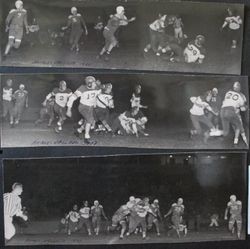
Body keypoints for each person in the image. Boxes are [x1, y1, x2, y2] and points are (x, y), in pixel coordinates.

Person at [67, 76, 102, 145]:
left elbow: (98, 95)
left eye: (95, 83)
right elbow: (71, 98)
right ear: (89, 84)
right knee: (90, 120)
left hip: (91, 107)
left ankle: (78, 130)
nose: (95, 84)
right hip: (83, 107)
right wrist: (68, 110)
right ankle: (86, 137)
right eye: (93, 83)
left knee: (88, 121)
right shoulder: (82, 88)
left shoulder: (97, 88)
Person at [220, 81, 248, 146]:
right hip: (232, 111)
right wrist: (245, 107)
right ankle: (242, 141)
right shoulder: (241, 95)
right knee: (238, 126)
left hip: (225, 110)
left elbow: (224, 101)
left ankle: (237, 141)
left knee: (238, 127)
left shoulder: (228, 92)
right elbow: (243, 108)